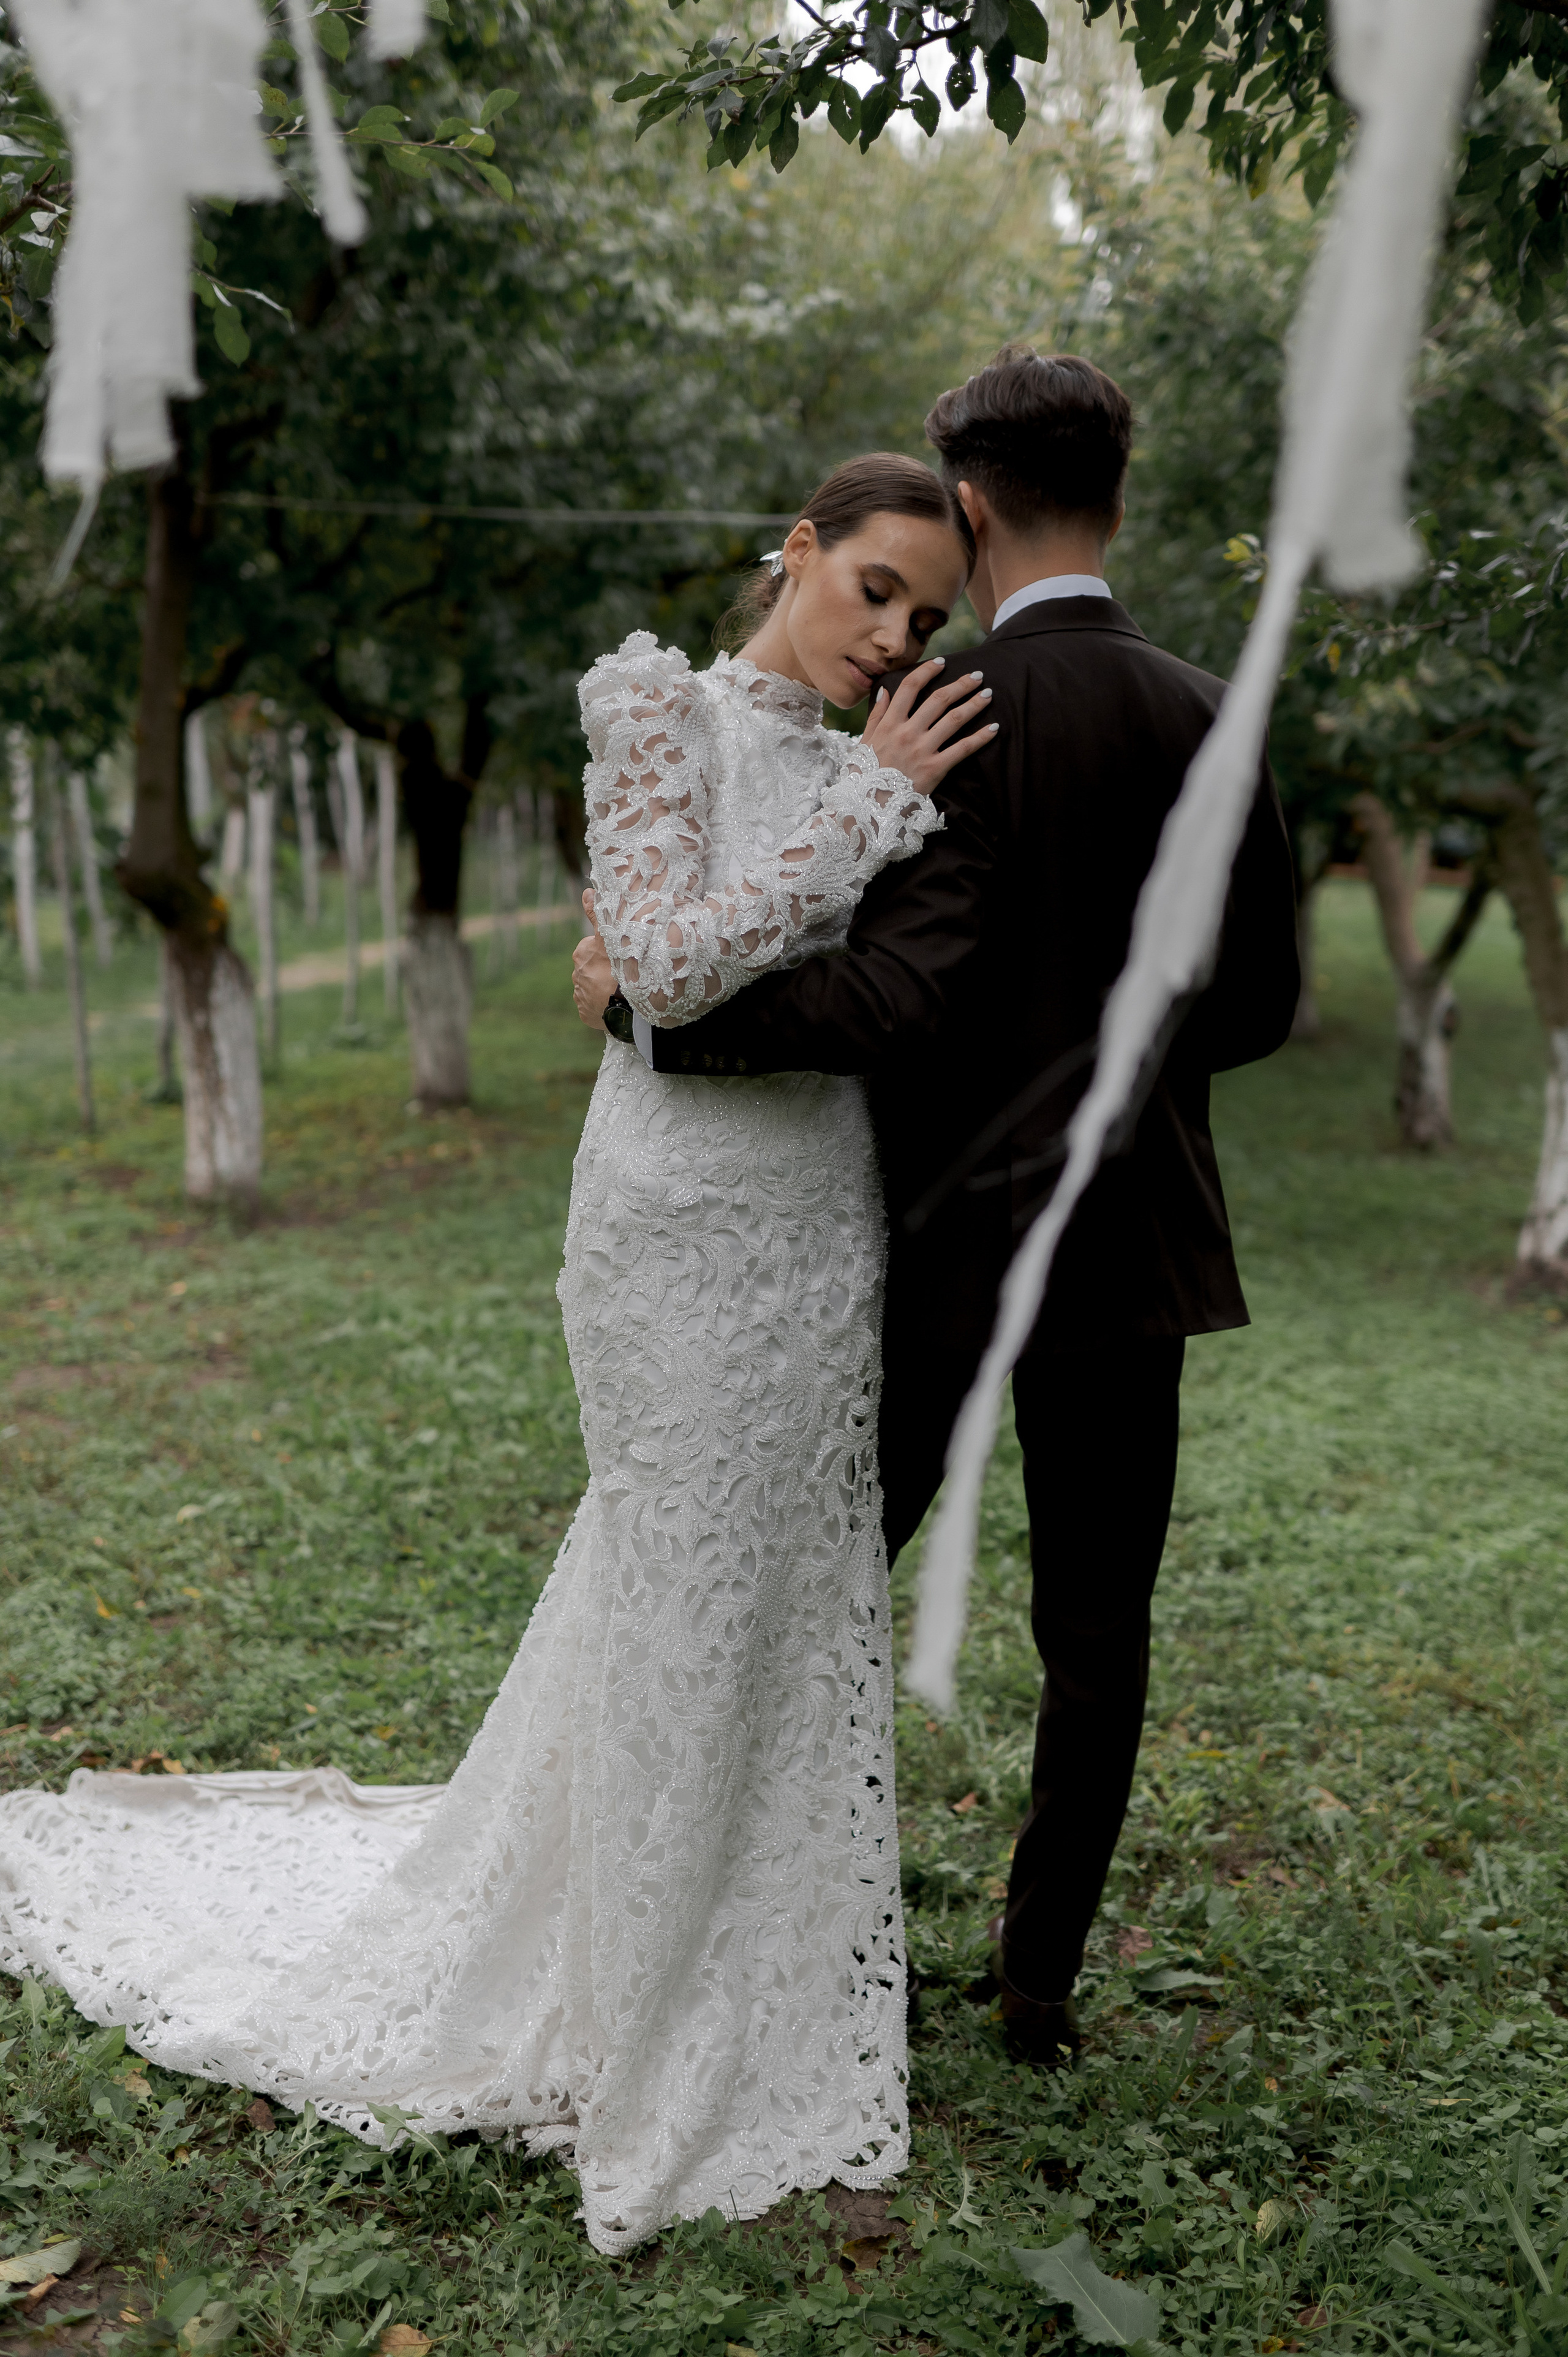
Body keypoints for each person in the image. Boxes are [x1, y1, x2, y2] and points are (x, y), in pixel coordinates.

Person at [0, 455, 990, 2254]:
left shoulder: (882, 759)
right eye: (873, 589)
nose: (893, 635)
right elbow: (674, 969)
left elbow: (704, 967)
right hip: (672, 1220)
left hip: (818, 1222)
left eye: (925, 616)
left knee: (781, 1597)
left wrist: (855, 810)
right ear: (797, 551)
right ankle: (637, 2008)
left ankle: (761, 1975)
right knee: (677, 1574)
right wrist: (867, 811)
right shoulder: (651, 713)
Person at [574, 349, 1301, 2070]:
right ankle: (1036, 1984)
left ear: (967, 508)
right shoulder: (1216, 711)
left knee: (828, 1589)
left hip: (940, 1245)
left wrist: (652, 1023)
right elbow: (1261, 1006)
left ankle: (790, 1923)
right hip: (1134, 1254)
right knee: (1098, 1629)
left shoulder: (947, 717)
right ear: (1121, 502)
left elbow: (891, 998)